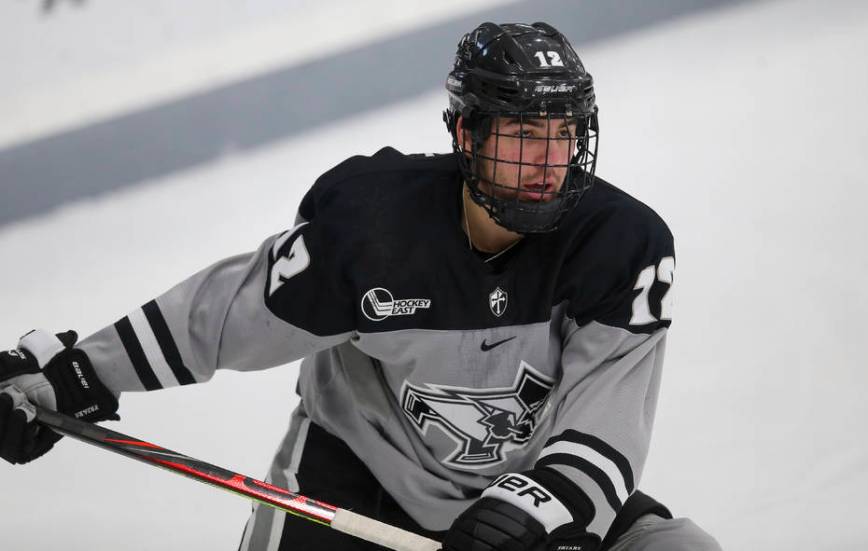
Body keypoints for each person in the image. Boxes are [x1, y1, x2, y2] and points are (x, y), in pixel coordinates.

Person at [0, 22, 721, 551]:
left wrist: (532, 510)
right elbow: (218, 317)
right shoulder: (374, 232)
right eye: (523, 135)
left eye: (562, 134)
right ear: (466, 137)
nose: (548, 160)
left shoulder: (620, 247)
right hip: (353, 485)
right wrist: (73, 377)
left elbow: (605, 429)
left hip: (526, 499)